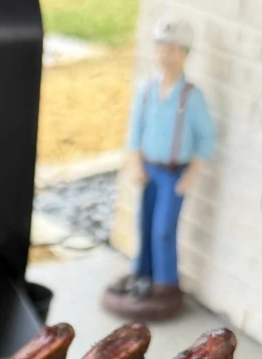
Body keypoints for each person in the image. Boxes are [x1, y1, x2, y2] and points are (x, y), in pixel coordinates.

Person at [103, 16, 214, 320]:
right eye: (161, 49)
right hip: (149, 169)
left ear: (185, 54)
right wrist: (136, 162)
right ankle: (142, 273)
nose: (165, 56)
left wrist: (192, 173)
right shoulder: (148, 90)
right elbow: (135, 130)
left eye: (173, 50)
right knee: (146, 222)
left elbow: (206, 138)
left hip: (174, 173)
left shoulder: (191, 97)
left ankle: (166, 284)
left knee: (164, 228)